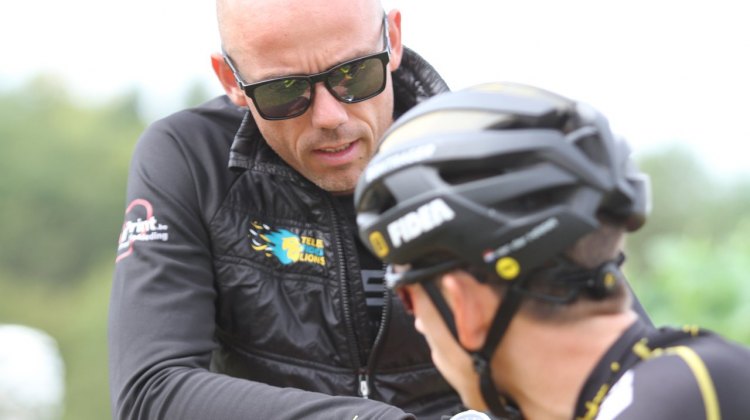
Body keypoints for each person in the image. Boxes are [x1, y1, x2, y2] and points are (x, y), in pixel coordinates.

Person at [108, 0, 468, 418]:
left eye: (354, 73)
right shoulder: (192, 157)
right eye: (285, 91)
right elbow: (150, 392)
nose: (329, 117)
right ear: (232, 80)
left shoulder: (482, 155)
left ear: (394, 40)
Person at [354, 82, 750, 419]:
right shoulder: (697, 379)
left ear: (464, 303)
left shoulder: (670, 402)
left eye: (406, 294)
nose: (419, 324)